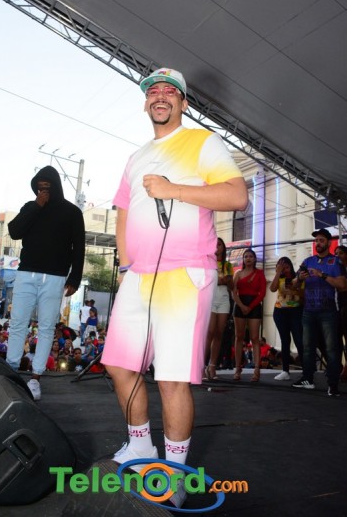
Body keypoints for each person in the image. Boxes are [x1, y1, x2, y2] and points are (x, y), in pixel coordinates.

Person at [101, 67, 247, 508]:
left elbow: (236, 195)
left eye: (170, 91)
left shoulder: (203, 142)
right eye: (154, 91)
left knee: (171, 378)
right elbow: (124, 213)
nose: (160, 96)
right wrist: (125, 265)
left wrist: (174, 190)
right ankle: (140, 446)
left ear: (183, 103)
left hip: (184, 274)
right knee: (119, 365)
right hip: (138, 275)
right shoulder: (136, 157)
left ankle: (176, 475)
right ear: (146, 103)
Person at [6, 165, 85, 401]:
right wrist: (36, 206)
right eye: (39, 188)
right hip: (26, 274)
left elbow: (79, 248)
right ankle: (11, 371)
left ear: (56, 186)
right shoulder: (30, 207)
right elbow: (14, 231)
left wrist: (75, 278)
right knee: (18, 323)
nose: (43, 191)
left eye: (47, 187)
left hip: (55, 277)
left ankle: (35, 377)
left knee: (47, 327)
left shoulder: (72, 212)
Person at [292, 229, 347, 396]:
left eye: (321, 240)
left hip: (329, 312)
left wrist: (322, 275)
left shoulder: (335, 262)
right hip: (309, 312)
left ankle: (333, 384)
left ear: (329, 243)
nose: (318, 243)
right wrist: (299, 278)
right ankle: (307, 379)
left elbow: (342, 285)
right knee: (307, 347)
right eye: (316, 240)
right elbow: (293, 284)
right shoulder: (307, 261)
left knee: (332, 349)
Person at [232, 248, 266, 382]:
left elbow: (262, 293)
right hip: (239, 305)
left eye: (251, 256)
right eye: (246, 256)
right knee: (239, 337)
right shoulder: (238, 274)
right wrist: (241, 306)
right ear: (243, 259)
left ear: (255, 259)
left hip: (255, 305)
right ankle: (237, 368)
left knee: (254, 338)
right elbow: (234, 292)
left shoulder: (260, 273)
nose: (248, 259)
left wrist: (250, 307)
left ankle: (257, 369)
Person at [269, 257, 304, 381]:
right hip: (280, 312)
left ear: (291, 266)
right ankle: (285, 370)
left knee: (299, 340)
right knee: (285, 340)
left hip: (296, 311)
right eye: (281, 267)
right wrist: (278, 273)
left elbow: (304, 295)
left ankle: (306, 370)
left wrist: (296, 286)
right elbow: (272, 289)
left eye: (286, 267)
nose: (285, 270)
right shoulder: (279, 278)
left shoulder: (299, 277)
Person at [204, 238, 234, 380]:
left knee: (219, 333)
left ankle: (212, 366)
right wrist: (220, 280)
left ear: (223, 247)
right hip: (210, 297)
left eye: (220, 245)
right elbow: (208, 281)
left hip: (223, 299)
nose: (217, 247)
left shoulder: (227, 265)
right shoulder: (207, 263)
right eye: (215, 245)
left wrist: (226, 281)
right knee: (209, 332)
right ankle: (201, 366)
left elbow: (231, 285)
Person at [335, 245, 347, 380]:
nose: (338, 256)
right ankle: (337, 366)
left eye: (341, 253)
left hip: (345, 307)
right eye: (336, 253)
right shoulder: (334, 270)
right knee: (335, 339)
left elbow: (343, 287)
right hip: (335, 308)